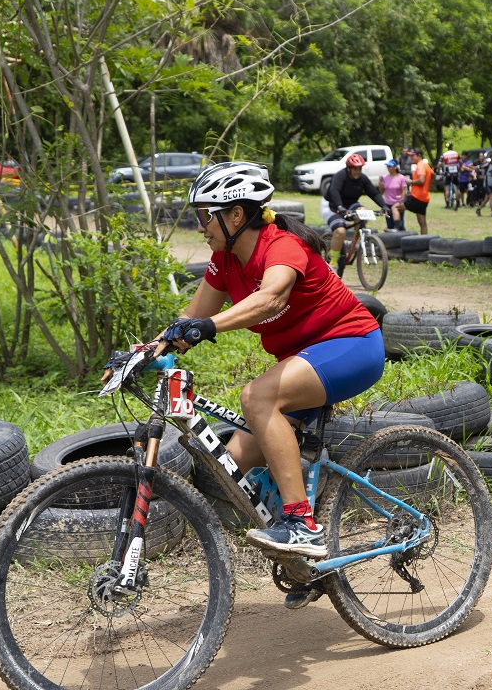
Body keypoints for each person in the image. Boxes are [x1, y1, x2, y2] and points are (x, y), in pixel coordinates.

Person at [158, 162, 384, 573]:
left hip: (351, 345)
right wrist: (146, 350)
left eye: (204, 215)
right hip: (304, 362)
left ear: (235, 215)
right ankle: (307, 568)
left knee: (257, 397)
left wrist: (207, 328)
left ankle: (302, 525)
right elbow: (189, 319)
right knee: (233, 460)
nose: (200, 226)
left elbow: (270, 299)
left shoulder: (281, 247)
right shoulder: (223, 260)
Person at [321, 153, 387, 275]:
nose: (357, 172)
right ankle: (333, 263)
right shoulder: (340, 176)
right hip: (332, 205)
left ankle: (357, 241)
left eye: (359, 169)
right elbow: (334, 191)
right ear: (349, 168)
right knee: (340, 231)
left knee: (362, 213)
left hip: (350, 204)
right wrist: (340, 207)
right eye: (355, 169)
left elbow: (374, 193)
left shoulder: (363, 179)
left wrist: (383, 206)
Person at [403, 148, 433, 234]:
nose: (411, 158)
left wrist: (410, 182)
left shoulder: (420, 165)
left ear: (419, 156)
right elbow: (433, 175)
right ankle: (424, 240)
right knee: (422, 222)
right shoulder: (426, 165)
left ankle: (397, 230)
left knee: (395, 208)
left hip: (417, 196)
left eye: (413, 156)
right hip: (425, 197)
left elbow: (421, 180)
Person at [379, 159, 407, 231]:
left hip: (397, 203)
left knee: (399, 225)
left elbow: (404, 191)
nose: (388, 168)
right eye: (387, 166)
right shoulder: (385, 177)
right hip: (387, 203)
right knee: (389, 225)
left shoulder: (401, 178)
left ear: (395, 167)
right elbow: (381, 191)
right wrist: (380, 183)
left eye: (390, 166)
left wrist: (401, 202)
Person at [440, 143, 460, 209]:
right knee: (457, 187)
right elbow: (460, 162)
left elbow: (439, 164)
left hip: (447, 173)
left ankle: (448, 204)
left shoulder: (444, 155)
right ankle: (458, 201)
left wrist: (440, 168)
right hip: (455, 172)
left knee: (447, 189)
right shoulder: (456, 153)